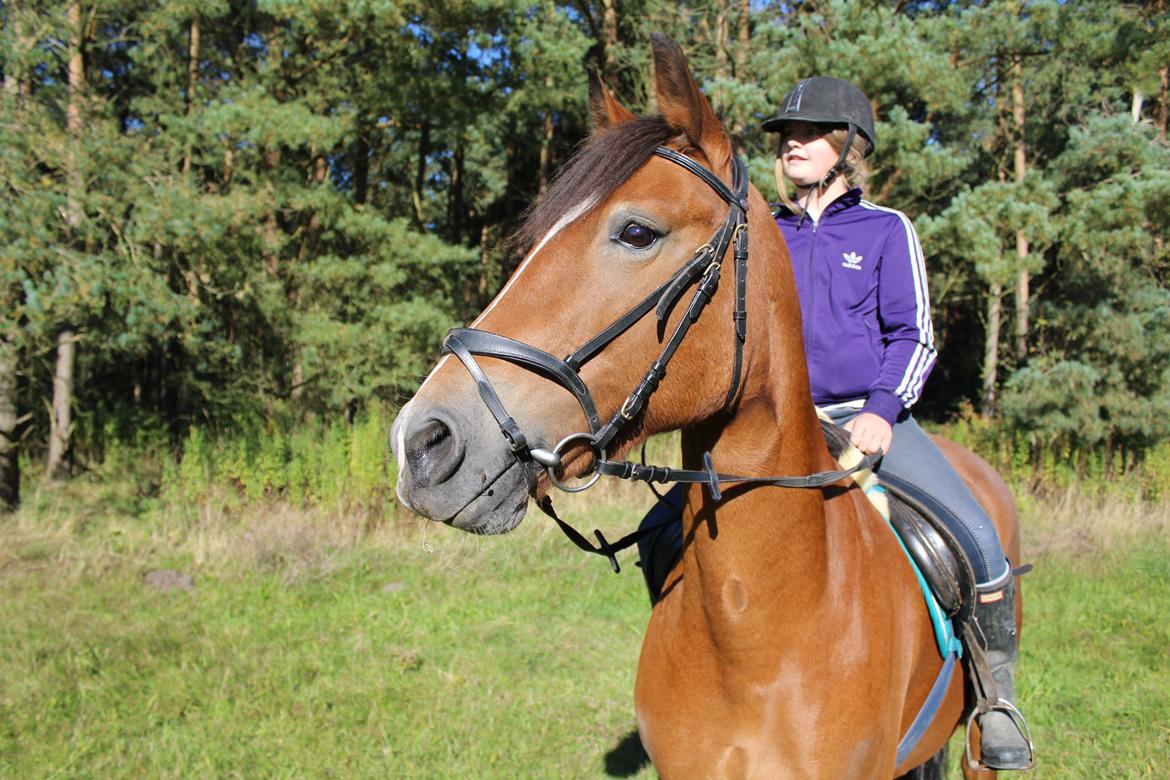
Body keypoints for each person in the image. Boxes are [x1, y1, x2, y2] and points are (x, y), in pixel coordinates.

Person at [759, 76, 1033, 770]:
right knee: (673, 527)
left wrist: (883, 413)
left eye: (813, 131)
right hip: (781, 424)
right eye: (789, 132)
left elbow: (914, 337)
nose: (793, 141)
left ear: (849, 147)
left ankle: (994, 698)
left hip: (867, 418)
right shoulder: (763, 232)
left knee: (978, 540)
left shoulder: (886, 229)